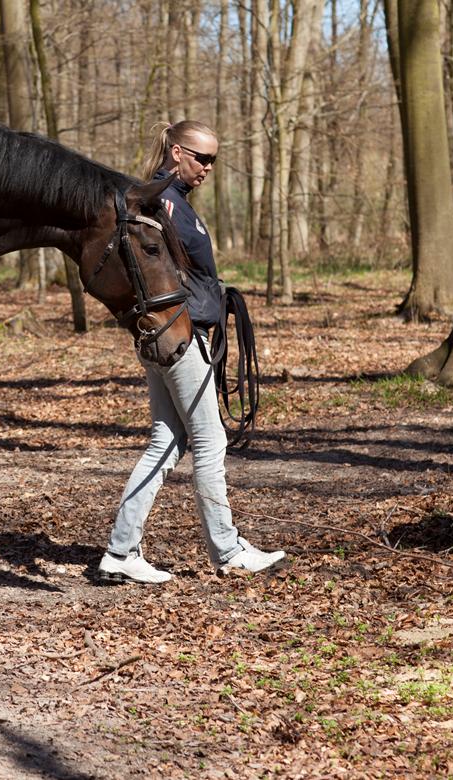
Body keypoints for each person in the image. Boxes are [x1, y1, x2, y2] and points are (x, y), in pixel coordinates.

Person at [97, 120, 285, 584]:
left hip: (178, 333)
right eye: (201, 158)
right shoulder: (160, 201)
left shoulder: (170, 200)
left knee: (168, 439)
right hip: (181, 337)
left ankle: (121, 551)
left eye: (214, 161)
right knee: (209, 440)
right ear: (177, 152)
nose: (207, 168)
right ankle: (226, 549)